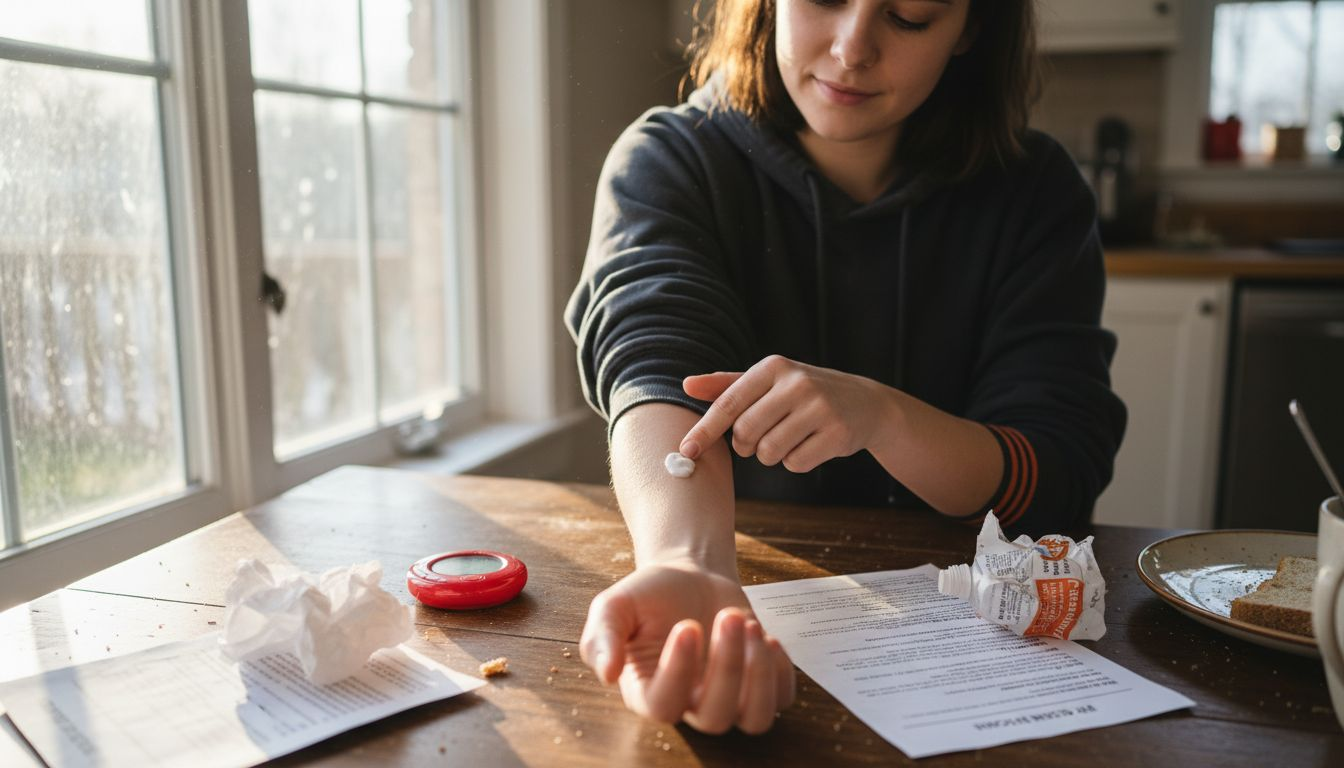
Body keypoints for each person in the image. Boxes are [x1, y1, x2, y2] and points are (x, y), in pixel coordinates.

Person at [564, 0, 1126, 735]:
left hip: (975, 662)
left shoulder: (1036, 193)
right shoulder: (672, 160)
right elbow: (655, 358)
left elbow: (1055, 468)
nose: (853, 47)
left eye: (911, 15)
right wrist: (690, 562)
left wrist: (884, 418)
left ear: (973, 28)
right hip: (764, 600)